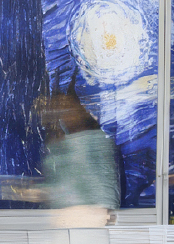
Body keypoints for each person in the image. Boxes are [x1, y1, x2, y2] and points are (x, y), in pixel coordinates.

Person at [39, 92, 120, 227]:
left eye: (68, 110)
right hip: (68, 220)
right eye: (61, 111)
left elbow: (103, 184)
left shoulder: (94, 142)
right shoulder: (61, 145)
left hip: (89, 219)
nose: (65, 116)